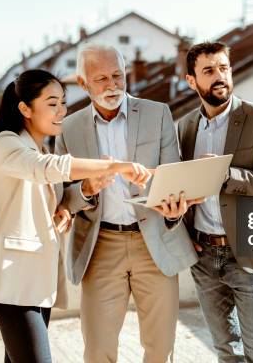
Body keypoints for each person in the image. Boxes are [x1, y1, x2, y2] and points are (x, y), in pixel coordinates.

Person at [0, 69, 151, 363]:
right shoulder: (6, 142)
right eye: (52, 103)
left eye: (63, 102)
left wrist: (85, 191)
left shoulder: (35, 146)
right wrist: (115, 166)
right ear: (25, 108)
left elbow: (56, 202)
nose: (62, 111)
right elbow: (46, 167)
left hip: (37, 281)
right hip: (14, 284)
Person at [56, 43, 202, 362]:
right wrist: (87, 188)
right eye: (101, 79)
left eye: (117, 76)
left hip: (155, 243)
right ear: (82, 84)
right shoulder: (68, 128)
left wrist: (172, 208)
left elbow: (171, 177)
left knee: (160, 349)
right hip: (100, 245)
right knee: (98, 351)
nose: (112, 85)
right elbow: (61, 198)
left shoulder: (157, 113)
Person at [177, 41, 253, 362]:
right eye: (208, 70)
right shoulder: (185, 127)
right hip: (203, 255)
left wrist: (226, 174)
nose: (219, 77)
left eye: (224, 68)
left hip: (250, 251)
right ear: (191, 80)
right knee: (227, 350)